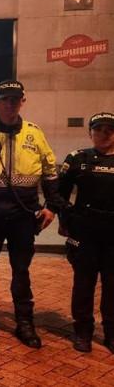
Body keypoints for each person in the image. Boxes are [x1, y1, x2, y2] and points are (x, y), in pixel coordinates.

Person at [0, 80, 64, 348]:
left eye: (15, 99)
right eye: (5, 100)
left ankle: (25, 322)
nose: (10, 104)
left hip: (24, 215)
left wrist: (52, 206)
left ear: (22, 102)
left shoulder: (35, 133)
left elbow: (50, 172)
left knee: (21, 270)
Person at [58, 112, 114, 354]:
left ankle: (111, 333)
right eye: (98, 129)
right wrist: (67, 220)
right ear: (90, 132)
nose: (104, 133)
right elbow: (59, 193)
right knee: (83, 284)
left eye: (109, 129)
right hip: (85, 232)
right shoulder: (78, 158)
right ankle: (82, 331)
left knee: (112, 285)